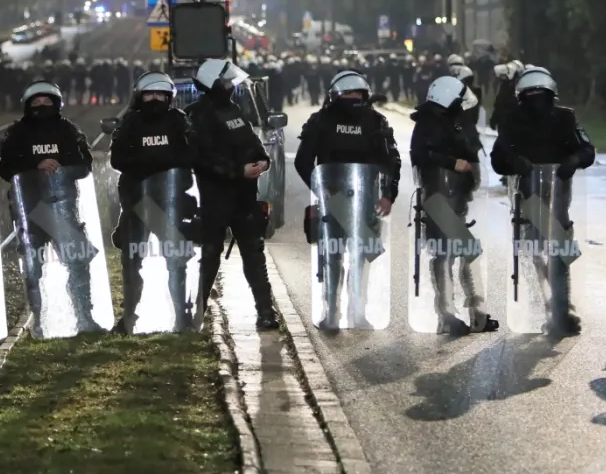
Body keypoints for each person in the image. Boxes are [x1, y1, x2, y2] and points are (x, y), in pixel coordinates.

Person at [490, 66, 596, 336]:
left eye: (541, 95)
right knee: (536, 253)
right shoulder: (512, 120)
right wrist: (515, 162)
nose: (537, 101)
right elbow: (498, 158)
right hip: (529, 199)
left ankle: (561, 308)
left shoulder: (566, 118)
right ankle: (547, 304)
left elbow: (587, 149)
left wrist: (573, 160)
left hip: (559, 197)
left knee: (559, 253)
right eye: (532, 95)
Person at [294, 70, 400, 329]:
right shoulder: (324, 121)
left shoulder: (374, 121)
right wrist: (321, 189)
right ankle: (336, 311)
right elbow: (303, 161)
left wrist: (388, 195)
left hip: (360, 201)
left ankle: (352, 311)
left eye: (356, 94)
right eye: (349, 93)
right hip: (338, 201)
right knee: (338, 257)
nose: (352, 98)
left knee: (354, 257)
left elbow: (391, 162)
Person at [0, 80, 101, 331]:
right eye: (36, 102)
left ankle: (84, 317)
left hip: (63, 208)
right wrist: (36, 164)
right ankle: (38, 322)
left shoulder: (68, 130)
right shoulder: (17, 133)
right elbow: (6, 168)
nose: (41, 105)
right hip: (30, 208)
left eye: (46, 101)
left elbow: (84, 163)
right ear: (27, 105)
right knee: (33, 267)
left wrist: (60, 164)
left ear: (56, 104)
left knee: (78, 261)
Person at [186, 59, 279, 331]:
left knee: (254, 257)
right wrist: (238, 171)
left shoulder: (234, 110)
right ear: (213, 84)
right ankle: (195, 315)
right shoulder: (198, 115)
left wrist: (263, 161)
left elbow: (252, 142)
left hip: (244, 199)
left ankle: (266, 313)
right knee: (209, 258)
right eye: (226, 82)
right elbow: (201, 158)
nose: (230, 87)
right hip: (215, 200)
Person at [109, 71, 199, 333]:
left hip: (171, 203)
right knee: (131, 262)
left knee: (176, 261)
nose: (156, 99)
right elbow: (117, 159)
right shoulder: (130, 123)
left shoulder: (179, 121)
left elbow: (194, 153)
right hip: (137, 203)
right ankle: (128, 317)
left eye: (161, 94)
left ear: (169, 97)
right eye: (150, 94)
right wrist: (152, 163)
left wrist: (161, 162)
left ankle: (181, 317)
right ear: (140, 96)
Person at [411, 75, 497, 333]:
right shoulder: (426, 124)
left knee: (454, 252)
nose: (462, 104)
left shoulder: (456, 121)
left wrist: (472, 172)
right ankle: (451, 315)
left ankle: (471, 314)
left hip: (456, 199)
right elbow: (421, 155)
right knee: (449, 253)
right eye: (458, 99)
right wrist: (452, 163)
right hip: (437, 200)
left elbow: (470, 149)